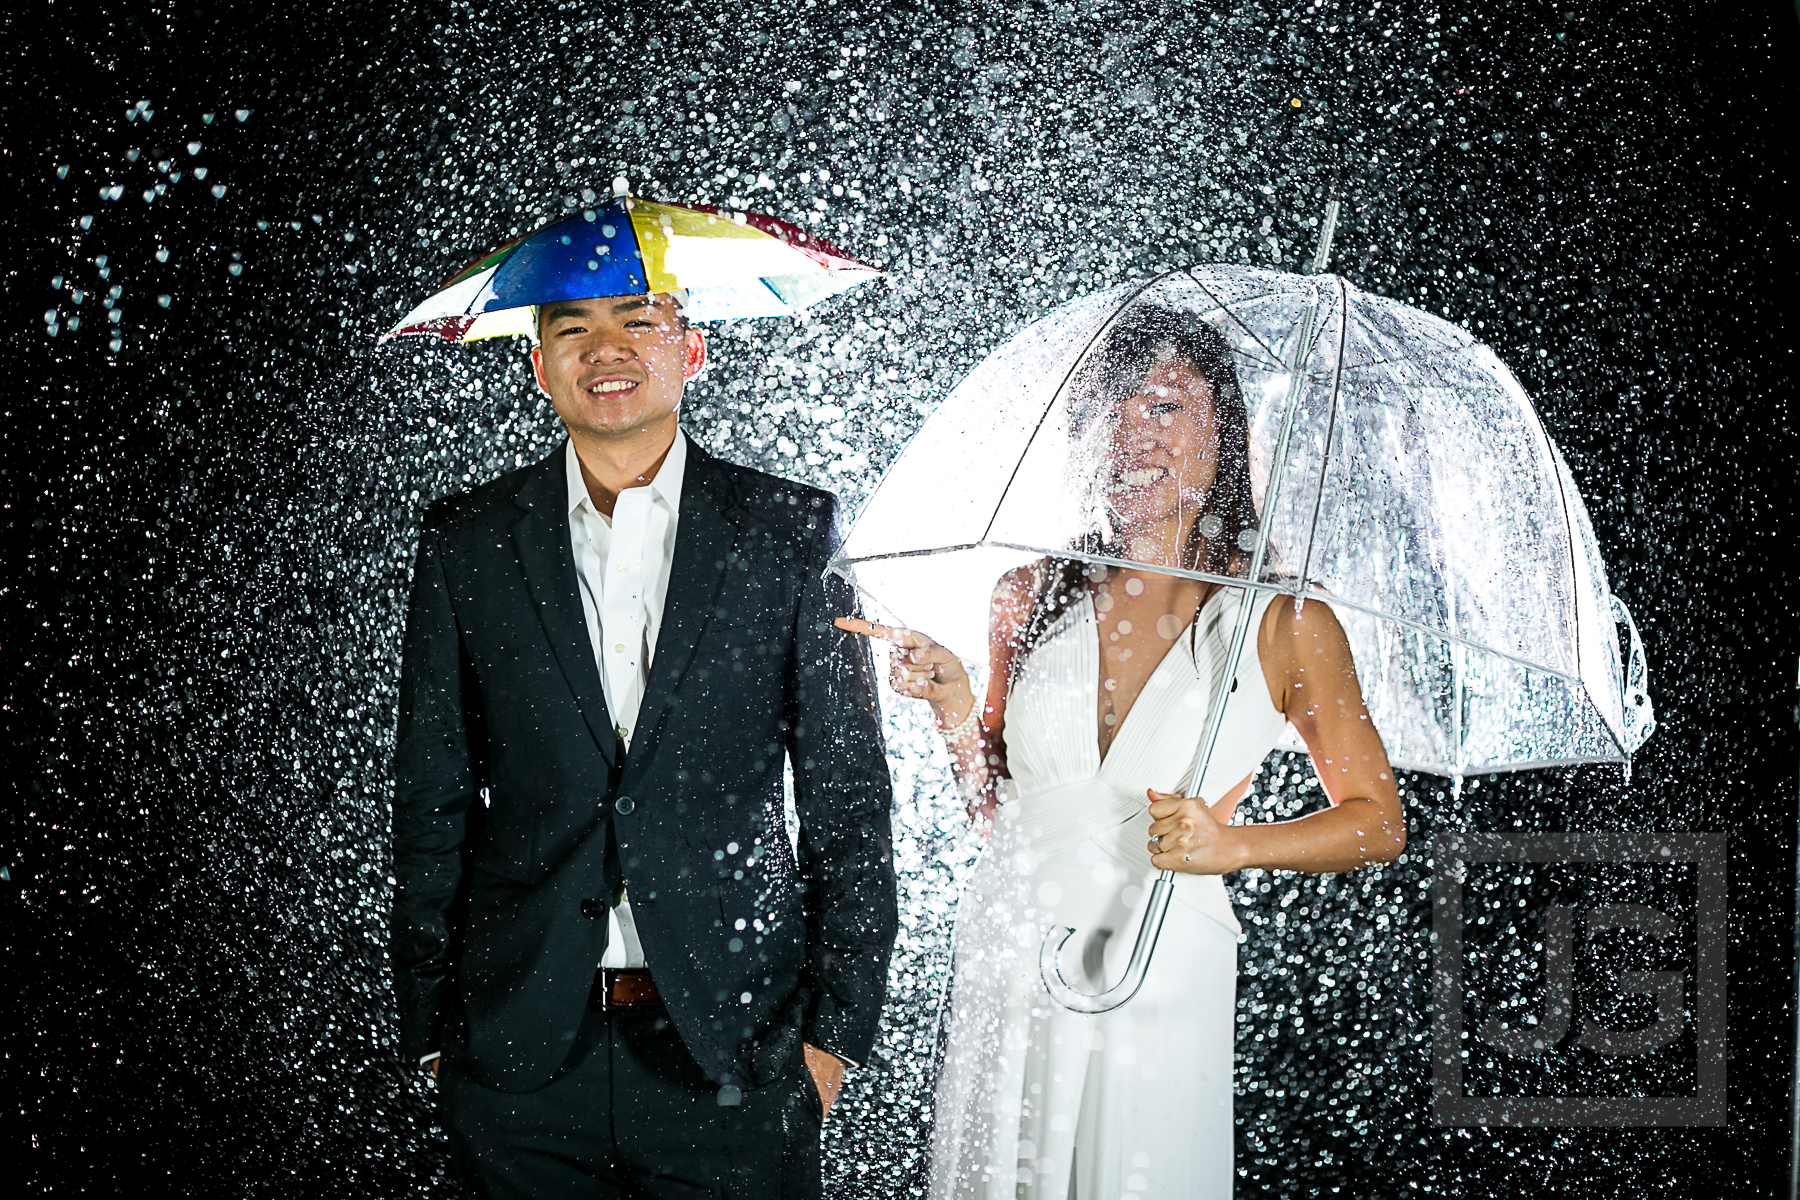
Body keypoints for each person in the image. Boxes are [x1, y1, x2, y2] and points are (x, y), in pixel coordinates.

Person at [838, 306, 1405, 1199]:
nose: (1131, 432)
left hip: (1160, 952)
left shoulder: (1288, 620)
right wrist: (952, 701)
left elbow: (1378, 825)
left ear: (1224, 431)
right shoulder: (1026, 592)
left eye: (1165, 407)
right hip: (1014, 939)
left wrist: (1234, 847)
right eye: (1113, 409)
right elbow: (1002, 809)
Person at [392, 288, 897, 1199]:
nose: (606, 348)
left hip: (737, 1051)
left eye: (637, 321)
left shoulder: (788, 530)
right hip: (520, 1054)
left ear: (691, 352)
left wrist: (834, 1037)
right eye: (572, 329)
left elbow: (847, 797)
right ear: (540, 365)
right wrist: (430, 1026)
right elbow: (432, 792)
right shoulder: (467, 542)